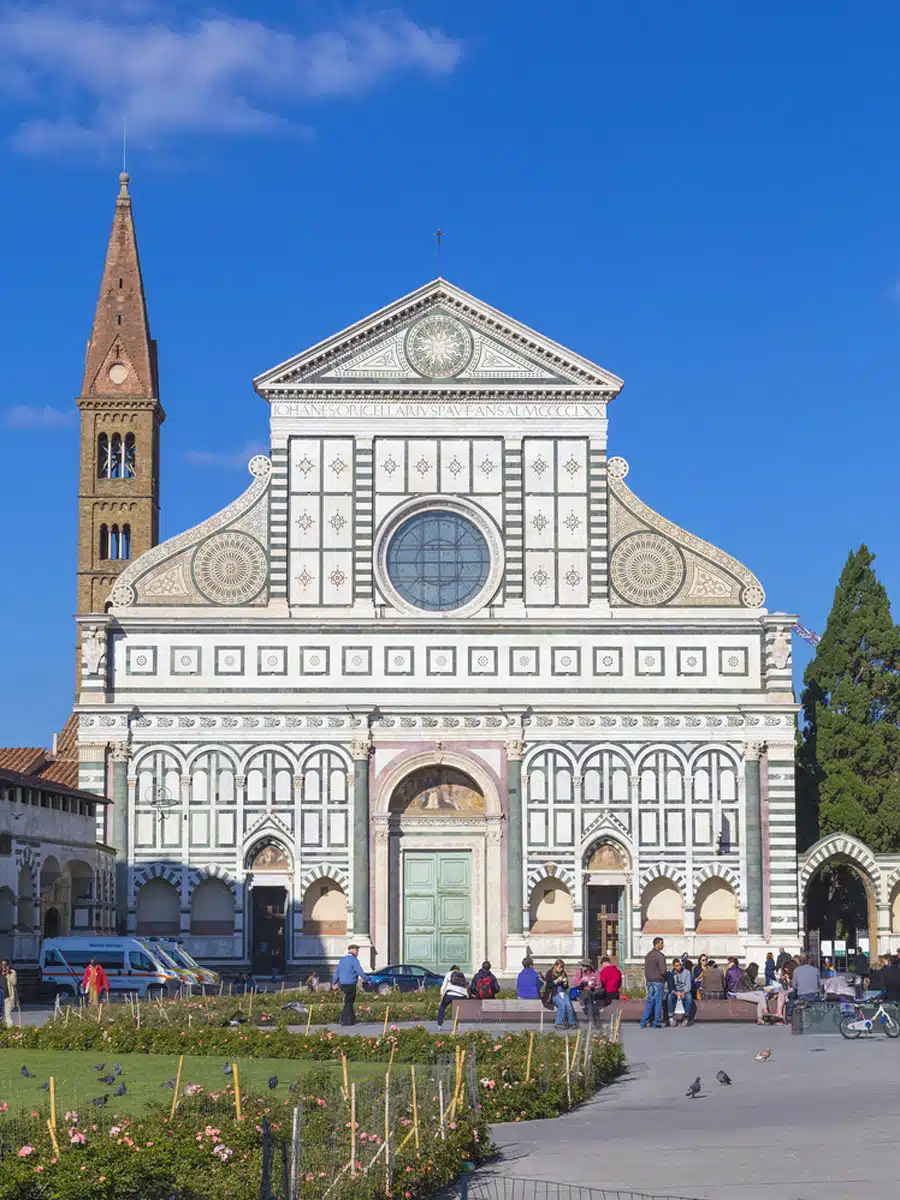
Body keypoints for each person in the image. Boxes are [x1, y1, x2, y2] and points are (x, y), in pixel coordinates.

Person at [331, 944, 369, 1026]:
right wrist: (367, 979)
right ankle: (345, 1020)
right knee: (349, 1002)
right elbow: (360, 972)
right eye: (357, 950)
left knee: (348, 1002)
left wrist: (334, 983)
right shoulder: (354, 960)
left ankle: (351, 1019)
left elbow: (337, 972)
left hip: (342, 984)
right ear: (353, 950)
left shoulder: (342, 960)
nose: (358, 952)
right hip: (350, 984)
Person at [640, 937, 666, 1029]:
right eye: (662, 943)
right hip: (658, 981)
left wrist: (647, 980)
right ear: (657, 944)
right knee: (658, 1002)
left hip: (650, 981)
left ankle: (644, 1021)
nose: (663, 945)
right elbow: (663, 970)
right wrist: (665, 976)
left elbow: (646, 969)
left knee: (650, 1001)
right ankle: (656, 1022)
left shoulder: (648, 955)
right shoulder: (660, 956)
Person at [543, 959, 576, 1030]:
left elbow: (566, 987)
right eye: (560, 967)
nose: (561, 969)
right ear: (555, 966)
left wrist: (565, 983)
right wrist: (556, 981)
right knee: (562, 1004)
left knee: (568, 1004)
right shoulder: (550, 973)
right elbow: (549, 985)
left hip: (562, 993)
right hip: (553, 993)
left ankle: (572, 1023)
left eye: (562, 967)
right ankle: (558, 1023)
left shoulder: (564, 974)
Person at [573, 959, 604, 1025]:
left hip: (593, 991)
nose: (582, 967)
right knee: (588, 997)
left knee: (589, 998)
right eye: (582, 965)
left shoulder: (596, 972)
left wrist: (593, 985)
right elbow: (575, 985)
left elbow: (599, 985)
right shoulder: (579, 972)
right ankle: (593, 1021)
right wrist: (581, 980)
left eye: (584, 966)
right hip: (582, 991)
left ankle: (590, 1017)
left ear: (589, 966)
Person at [666, 957, 691, 1026]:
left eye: (680, 965)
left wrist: (683, 992)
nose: (679, 967)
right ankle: (671, 1017)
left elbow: (688, 985)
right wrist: (676, 993)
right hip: (675, 992)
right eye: (677, 966)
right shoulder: (670, 973)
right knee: (670, 997)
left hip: (684, 991)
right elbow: (670, 987)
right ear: (674, 966)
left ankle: (686, 1017)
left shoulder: (687, 972)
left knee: (689, 997)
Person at [0, 959, 18, 1028]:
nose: (4, 966)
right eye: (2, 965)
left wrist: (8, 974)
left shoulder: (12, 973)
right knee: (1, 1016)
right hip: (0, 997)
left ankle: (9, 1030)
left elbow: (14, 983)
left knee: (8, 1015)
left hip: (8, 997)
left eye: (5, 965)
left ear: (8, 965)